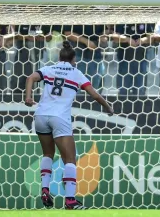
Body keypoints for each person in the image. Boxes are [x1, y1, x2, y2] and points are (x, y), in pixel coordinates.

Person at [24, 41, 113, 210]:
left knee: (48, 154)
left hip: (41, 115)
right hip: (60, 117)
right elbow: (94, 95)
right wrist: (108, 107)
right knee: (70, 159)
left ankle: (44, 189)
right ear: (73, 59)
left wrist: (28, 97)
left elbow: (31, 78)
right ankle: (70, 200)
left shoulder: (49, 69)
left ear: (59, 57)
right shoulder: (76, 73)